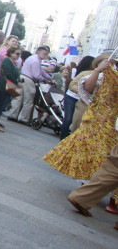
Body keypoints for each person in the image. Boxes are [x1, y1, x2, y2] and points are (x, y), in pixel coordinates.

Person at [45, 56, 118, 190]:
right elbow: (81, 87)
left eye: (113, 64)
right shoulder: (88, 74)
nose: (110, 66)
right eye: (107, 63)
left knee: (101, 151)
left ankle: (91, 180)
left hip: (108, 121)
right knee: (78, 135)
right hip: (86, 111)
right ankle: (85, 178)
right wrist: (97, 71)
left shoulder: (114, 79)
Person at [8, 46, 53, 125]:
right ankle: (24, 118)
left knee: (18, 98)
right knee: (28, 101)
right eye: (44, 53)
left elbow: (41, 71)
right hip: (29, 80)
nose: (46, 55)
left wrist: (49, 78)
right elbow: (37, 75)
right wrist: (45, 80)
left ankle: (13, 115)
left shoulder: (32, 58)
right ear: (39, 52)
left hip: (22, 77)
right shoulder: (36, 61)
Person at [60, 55, 97, 138]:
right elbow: (71, 84)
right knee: (68, 119)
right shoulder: (75, 71)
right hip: (71, 97)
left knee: (77, 120)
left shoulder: (94, 74)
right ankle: (63, 138)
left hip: (82, 100)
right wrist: (81, 91)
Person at [0, 46, 22, 132]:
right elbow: (8, 73)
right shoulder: (7, 61)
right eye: (17, 53)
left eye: (19, 54)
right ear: (11, 53)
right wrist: (17, 83)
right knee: (0, 104)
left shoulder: (12, 62)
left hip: (7, 86)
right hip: (4, 85)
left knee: (1, 104)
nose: (18, 56)